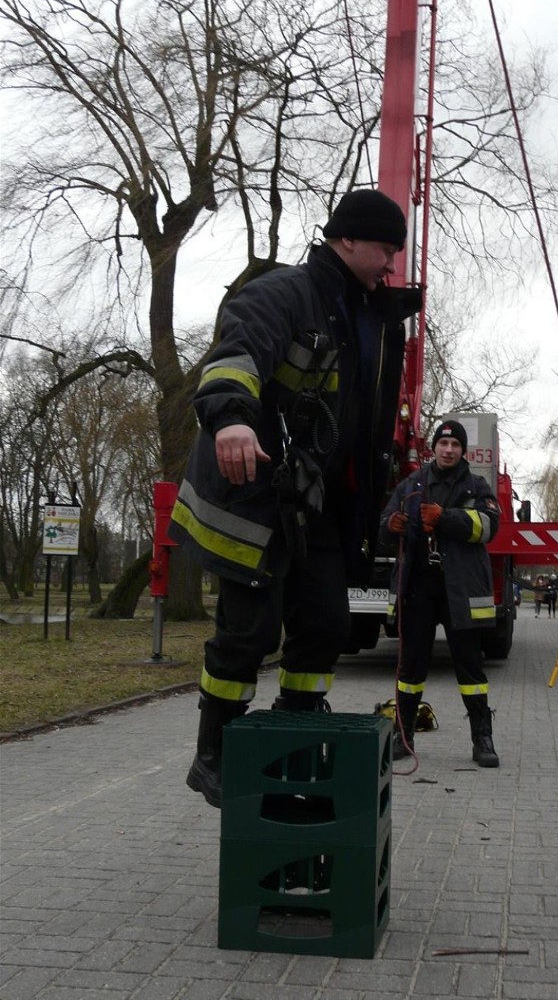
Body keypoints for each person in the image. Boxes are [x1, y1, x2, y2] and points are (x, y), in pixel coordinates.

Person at [169, 189, 421, 807]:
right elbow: (237, 352)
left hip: (320, 504)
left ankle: (298, 731)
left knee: (326, 625)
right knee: (248, 631)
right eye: (386, 248)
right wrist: (231, 418)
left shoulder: (369, 317)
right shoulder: (283, 294)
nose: (392, 263)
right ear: (348, 239)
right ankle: (215, 754)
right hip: (255, 493)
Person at [381, 419, 501, 768]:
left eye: (455, 445)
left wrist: (446, 518)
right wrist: (391, 526)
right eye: (443, 444)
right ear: (434, 448)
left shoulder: (476, 486)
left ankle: (482, 740)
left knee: (470, 670)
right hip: (418, 589)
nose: (448, 450)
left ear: (463, 451)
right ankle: (403, 738)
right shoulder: (411, 484)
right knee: (410, 668)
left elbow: (490, 526)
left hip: (459, 591)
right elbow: (384, 522)